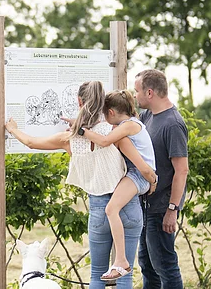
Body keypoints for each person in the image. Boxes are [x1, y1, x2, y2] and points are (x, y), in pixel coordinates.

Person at [5, 81, 147, 289]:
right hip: (128, 203)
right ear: (102, 103)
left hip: (99, 208)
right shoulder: (115, 132)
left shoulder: (68, 138)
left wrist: (12, 129)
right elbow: (140, 163)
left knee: (98, 274)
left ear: (79, 101)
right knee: (124, 275)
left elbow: (32, 142)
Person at [82, 89, 157, 281]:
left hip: (138, 175)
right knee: (112, 209)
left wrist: (81, 130)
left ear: (112, 113)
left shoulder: (129, 126)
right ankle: (121, 260)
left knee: (111, 209)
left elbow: (105, 141)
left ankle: (121, 260)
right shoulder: (129, 124)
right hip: (138, 175)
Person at [134, 69, 189, 289]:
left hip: (162, 208)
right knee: (147, 264)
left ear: (149, 92)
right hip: (146, 205)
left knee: (165, 265)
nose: (135, 95)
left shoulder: (173, 124)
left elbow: (181, 170)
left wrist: (172, 209)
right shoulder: (148, 116)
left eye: (137, 91)